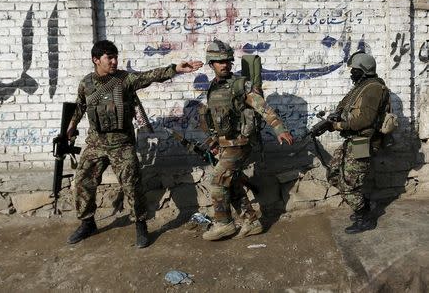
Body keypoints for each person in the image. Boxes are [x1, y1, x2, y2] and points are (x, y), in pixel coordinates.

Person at [66, 40, 203, 248]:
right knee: (83, 181)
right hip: (96, 142)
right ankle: (87, 223)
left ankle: (140, 225)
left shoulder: (125, 80)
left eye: (115, 57)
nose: (114, 62)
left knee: (132, 185)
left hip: (122, 143)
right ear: (96, 60)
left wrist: (175, 69)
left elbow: (150, 76)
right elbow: (80, 106)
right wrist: (71, 125)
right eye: (108, 58)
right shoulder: (86, 83)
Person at [201, 39, 294, 241]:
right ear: (211, 64)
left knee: (217, 182)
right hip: (227, 144)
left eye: (227, 60)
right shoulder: (213, 87)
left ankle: (223, 224)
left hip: (241, 143)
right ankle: (251, 222)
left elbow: (263, 107)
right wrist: (214, 141)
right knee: (231, 183)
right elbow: (215, 118)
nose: (224, 64)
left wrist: (279, 129)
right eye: (219, 61)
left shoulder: (241, 85)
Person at [326, 51, 392, 234]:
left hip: (364, 142)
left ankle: (365, 218)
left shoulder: (374, 88)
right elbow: (344, 104)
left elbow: (364, 121)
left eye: (354, 69)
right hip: (353, 140)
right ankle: (365, 205)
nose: (351, 72)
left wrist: (337, 125)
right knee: (333, 173)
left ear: (364, 70)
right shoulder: (361, 86)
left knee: (350, 184)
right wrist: (332, 118)